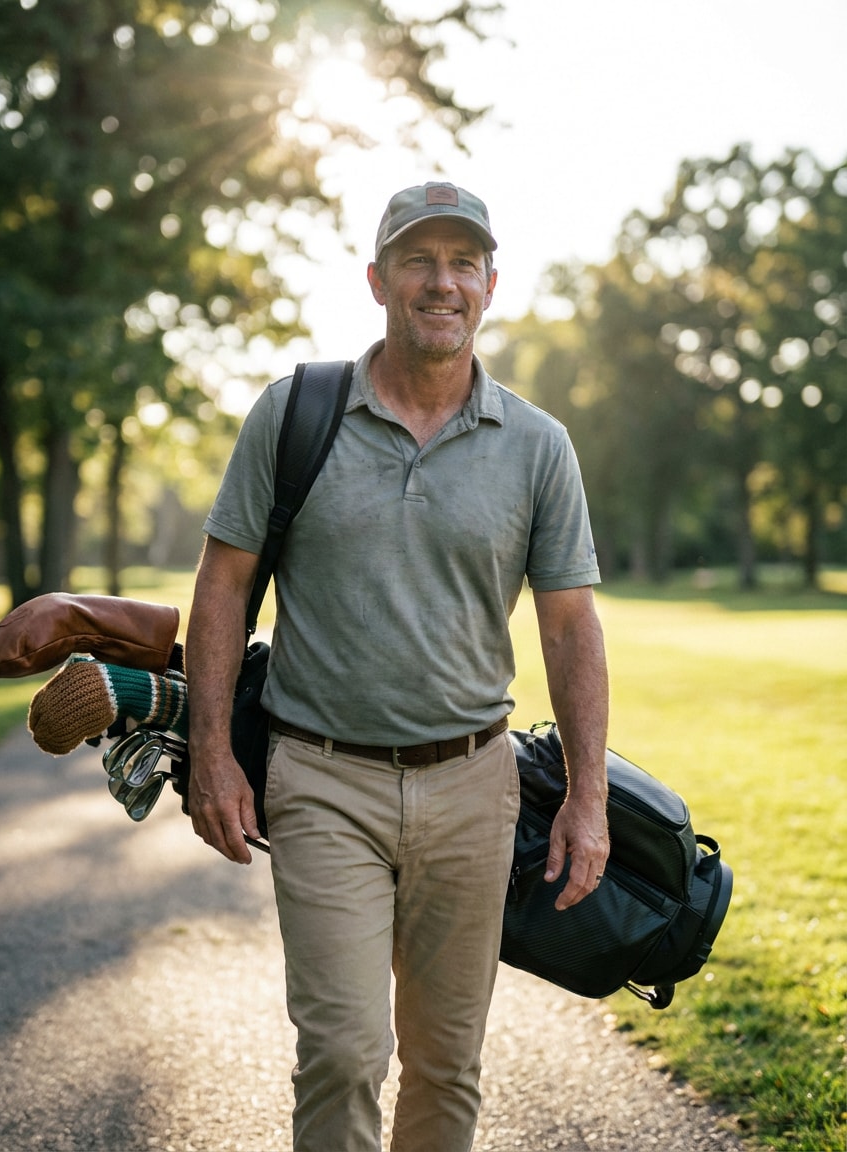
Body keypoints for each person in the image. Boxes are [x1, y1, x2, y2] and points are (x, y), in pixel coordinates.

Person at [185, 181, 610, 1152]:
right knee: (342, 1049)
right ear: (377, 279)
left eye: (463, 262)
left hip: (473, 785)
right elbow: (222, 584)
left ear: (491, 285)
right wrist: (213, 752)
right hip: (321, 779)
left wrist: (585, 796)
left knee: (447, 1062)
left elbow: (570, 627)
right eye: (419, 260)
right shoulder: (295, 413)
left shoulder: (539, 446)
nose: (441, 282)